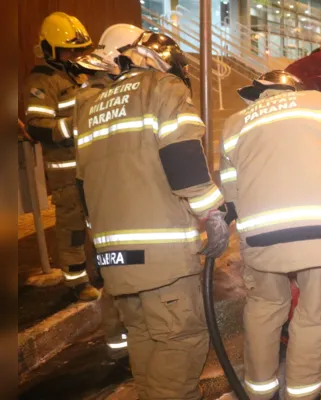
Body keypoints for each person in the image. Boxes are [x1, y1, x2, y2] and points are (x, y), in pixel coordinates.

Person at [72, 30, 230, 400]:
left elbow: (82, 183)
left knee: (142, 336)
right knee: (181, 339)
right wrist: (214, 213)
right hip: (161, 257)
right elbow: (183, 157)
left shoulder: (93, 106)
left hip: (115, 257)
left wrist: (95, 243)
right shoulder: (162, 87)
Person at [219, 70, 321, 400]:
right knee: (313, 318)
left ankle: (259, 392)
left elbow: (230, 193)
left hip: (259, 237)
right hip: (319, 233)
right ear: (296, 88)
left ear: (261, 93)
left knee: (263, 308)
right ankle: (303, 394)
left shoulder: (235, 122)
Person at [73, 23, 146, 361]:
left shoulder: (102, 92)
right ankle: (120, 348)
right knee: (117, 275)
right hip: (105, 196)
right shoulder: (94, 97)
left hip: (112, 194)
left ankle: (125, 345)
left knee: (123, 271)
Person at [23, 12, 100, 301]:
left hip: (90, 164)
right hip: (66, 171)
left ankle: (103, 270)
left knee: (99, 220)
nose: (74, 55)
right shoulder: (42, 81)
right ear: (49, 50)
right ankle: (77, 280)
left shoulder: (78, 73)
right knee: (72, 226)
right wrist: (75, 126)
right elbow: (37, 126)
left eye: (78, 50)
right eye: (68, 50)